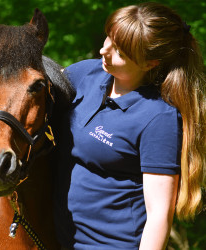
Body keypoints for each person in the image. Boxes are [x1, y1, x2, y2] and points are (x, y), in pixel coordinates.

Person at [54, 2, 205, 249]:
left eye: (120, 52)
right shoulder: (83, 75)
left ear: (150, 63)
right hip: (54, 240)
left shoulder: (158, 118)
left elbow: (159, 214)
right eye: (109, 38)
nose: (104, 50)